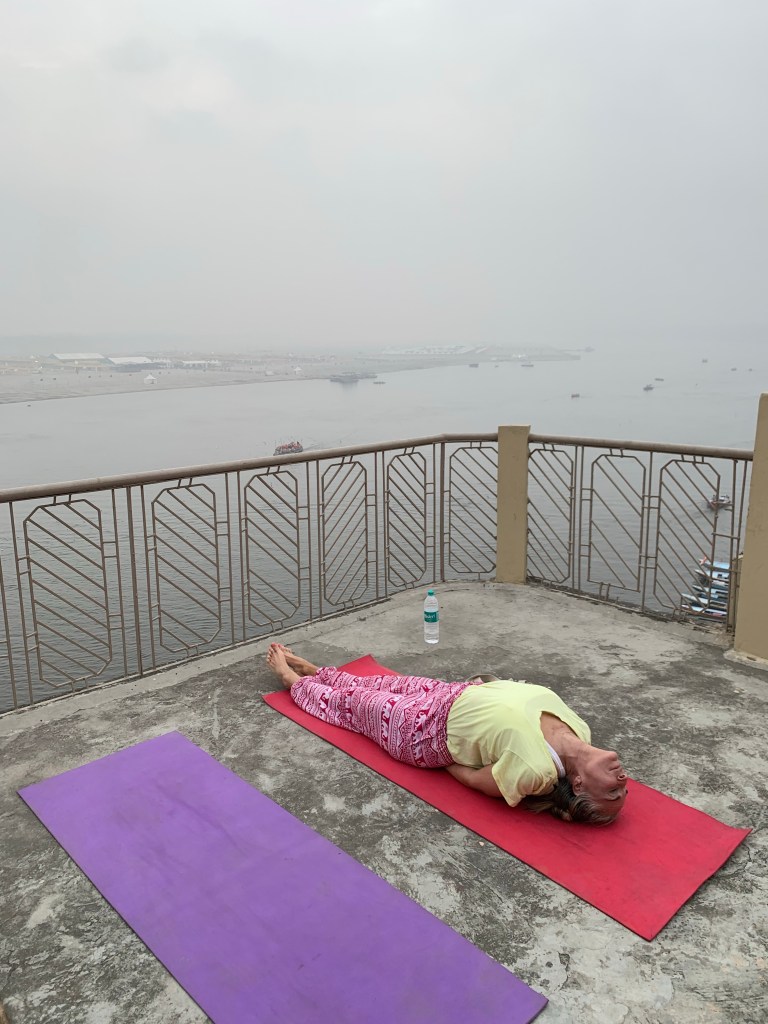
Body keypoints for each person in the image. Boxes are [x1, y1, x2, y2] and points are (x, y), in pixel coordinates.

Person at [266, 643, 628, 824]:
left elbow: (474, 780)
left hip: (424, 731)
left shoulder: (536, 770)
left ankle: (292, 680)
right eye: (623, 789)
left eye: (612, 790)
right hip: (456, 694)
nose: (622, 780)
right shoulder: (581, 729)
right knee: (379, 683)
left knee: (353, 703)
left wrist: (442, 757)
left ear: (578, 784)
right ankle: (319, 671)